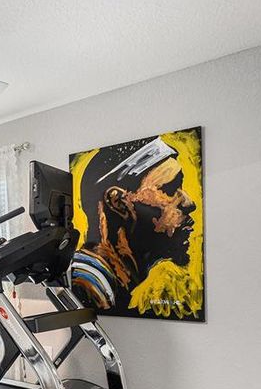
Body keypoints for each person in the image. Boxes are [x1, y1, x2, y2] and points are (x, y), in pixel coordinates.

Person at [71, 133, 200, 318]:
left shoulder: (112, 282)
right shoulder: (88, 284)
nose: (188, 203)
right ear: (118, 202)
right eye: (171, 188)